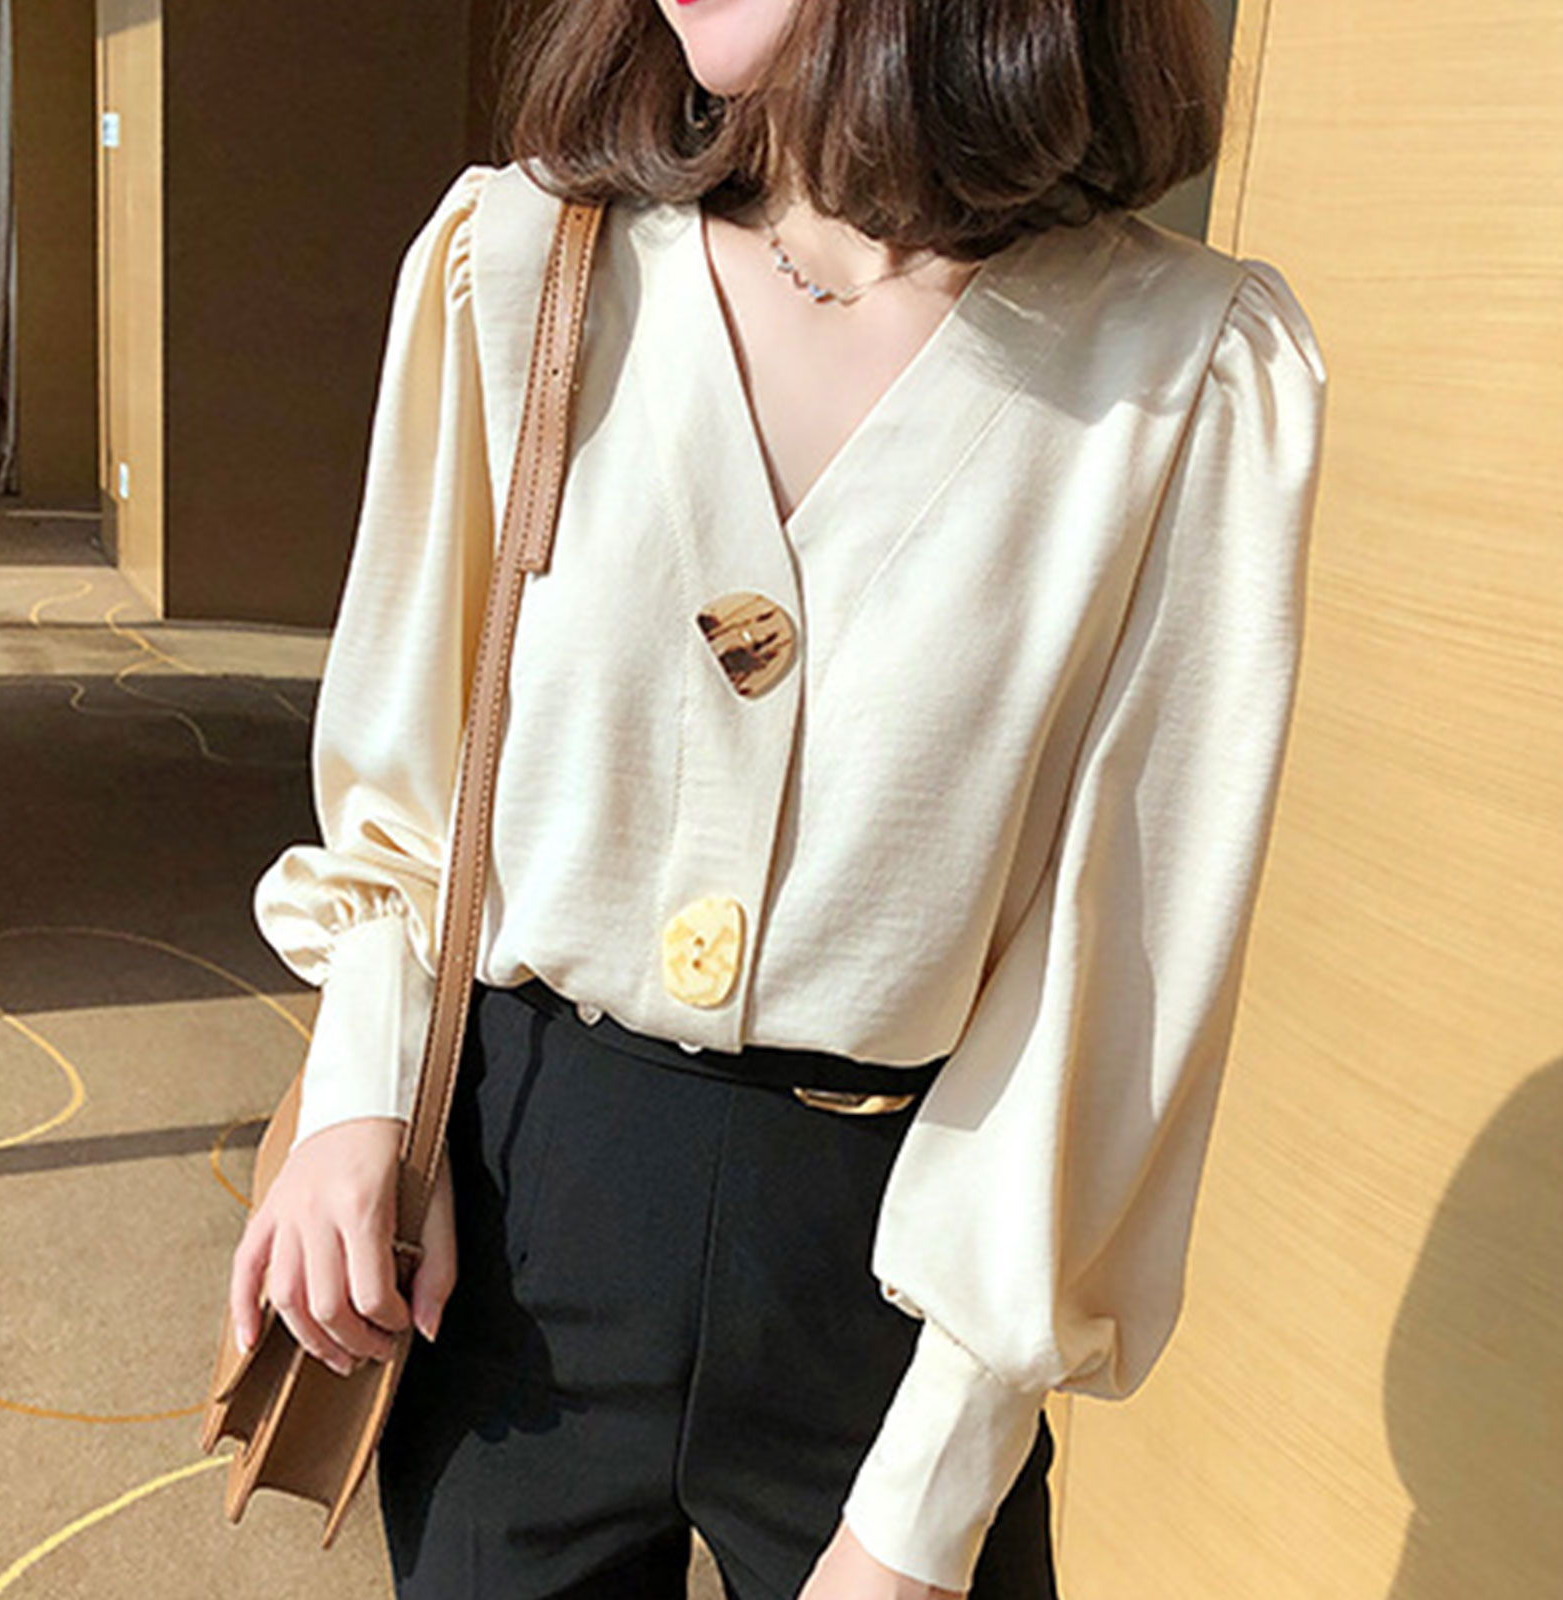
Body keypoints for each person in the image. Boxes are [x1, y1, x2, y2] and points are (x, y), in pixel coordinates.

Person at [228, 0, 1327, 1596]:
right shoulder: (522, 262)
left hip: (892, 1272)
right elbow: (411, 778)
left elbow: (1118, 966)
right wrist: (362, 1096)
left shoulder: (1184, 368)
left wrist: (932, 1492)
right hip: (522, 1202)